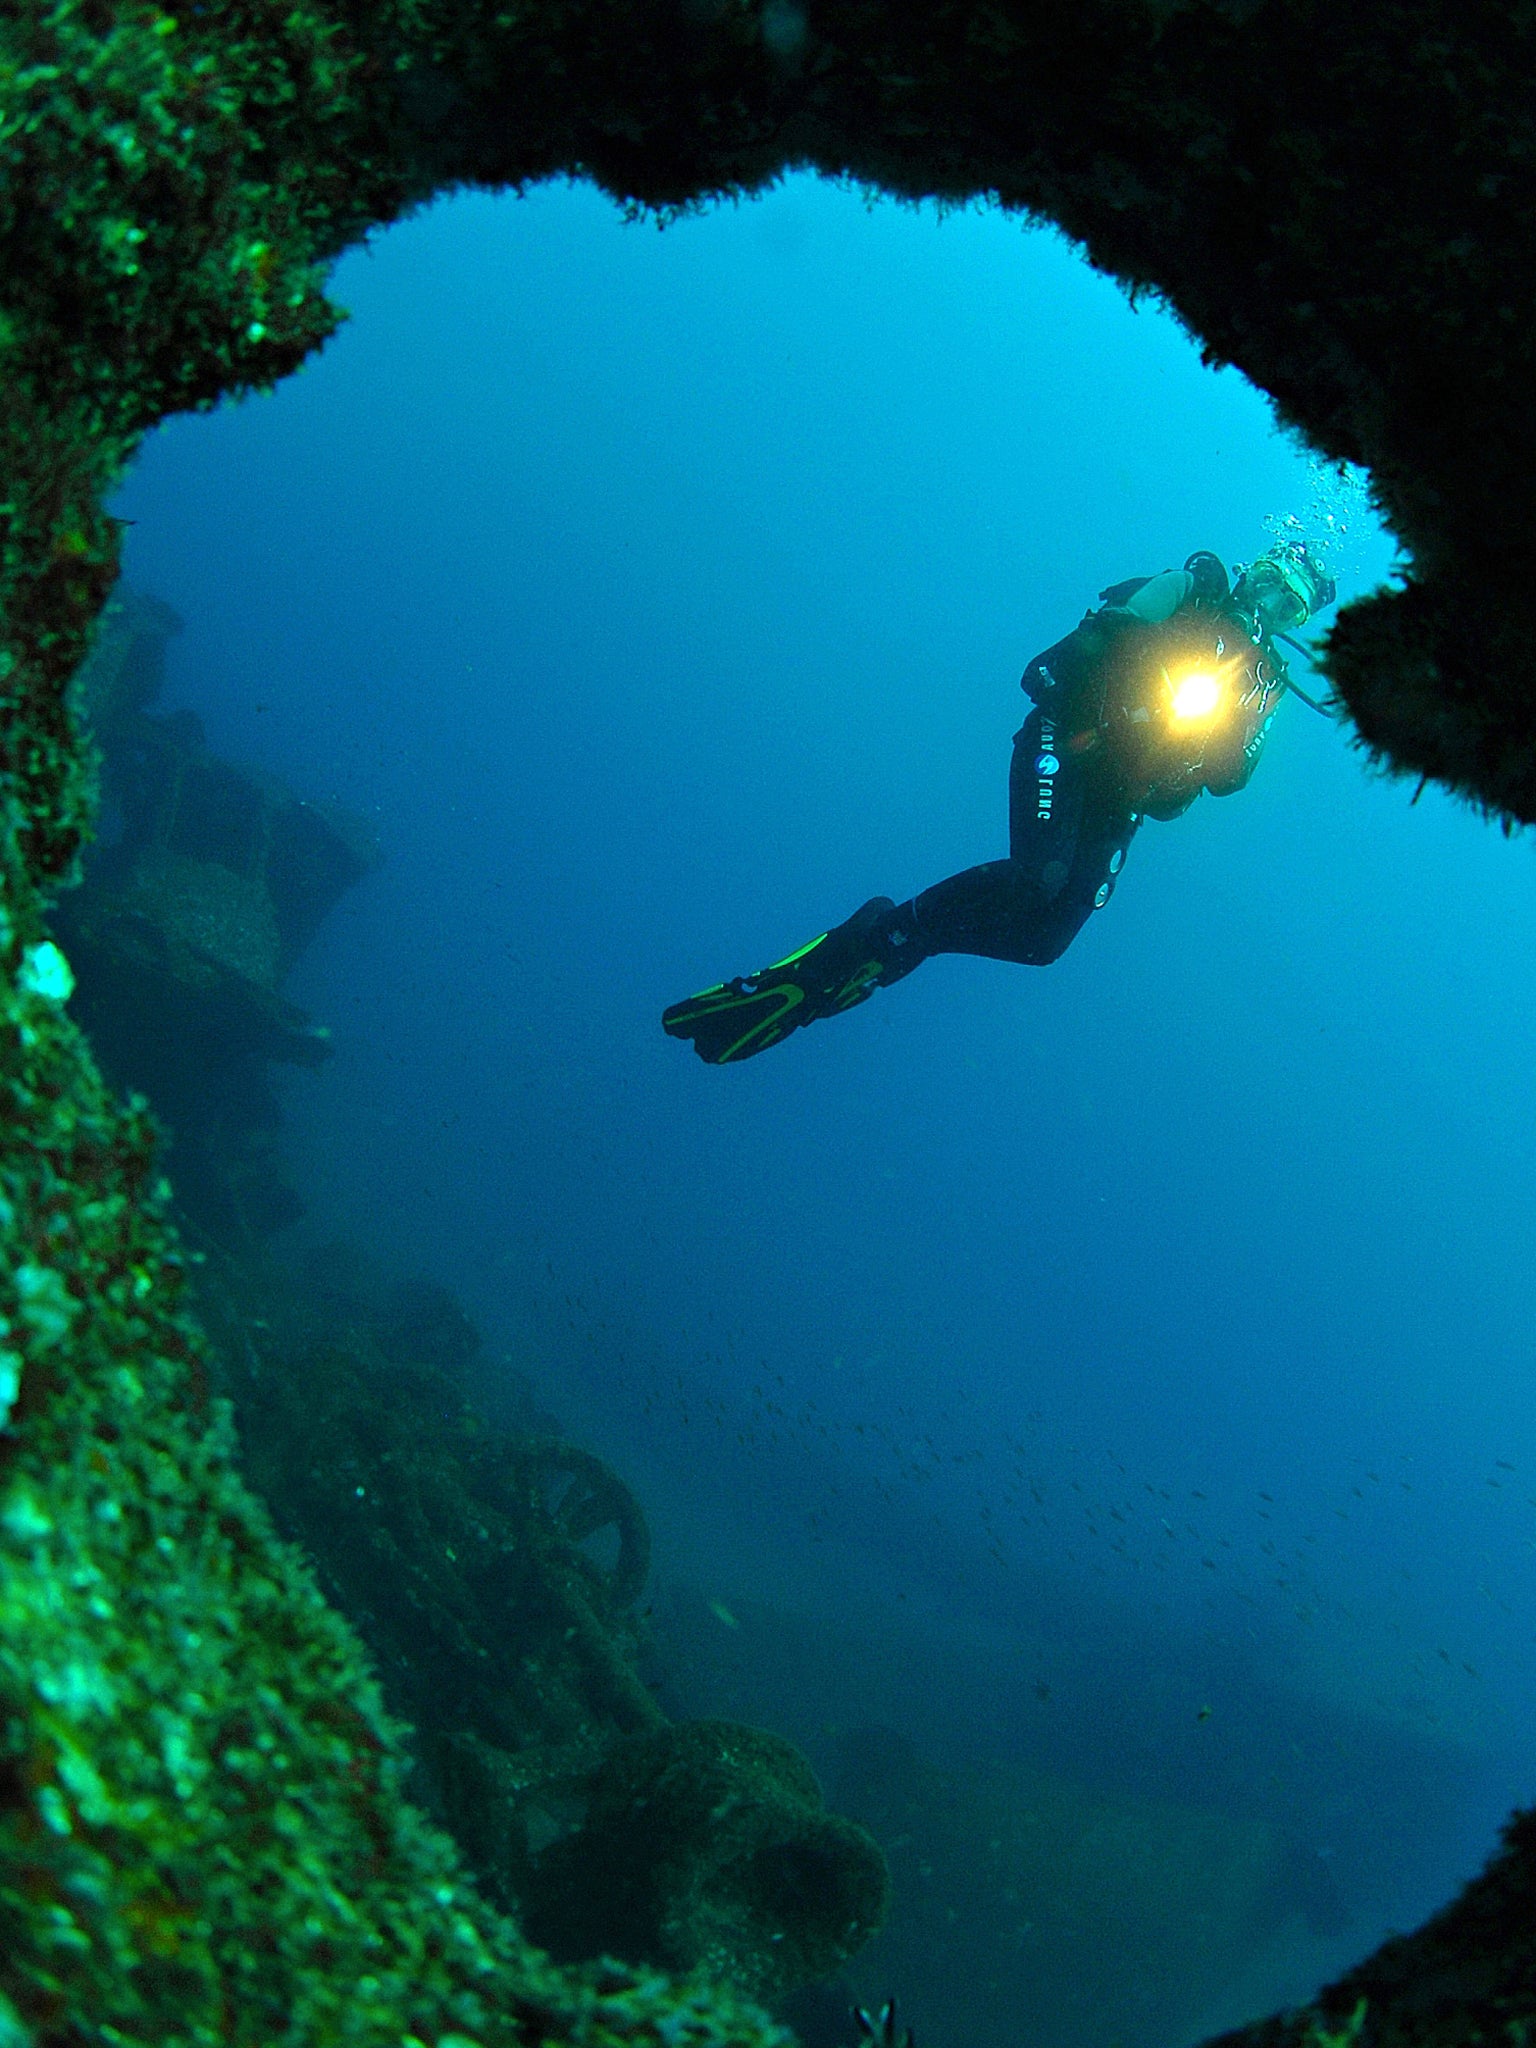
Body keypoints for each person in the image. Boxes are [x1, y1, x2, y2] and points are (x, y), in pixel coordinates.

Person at [662, 541, 1336, 1065]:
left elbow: (1228, 779)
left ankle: (902, 936)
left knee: (1046, 940)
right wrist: (1122, 671)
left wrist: (1238, 729)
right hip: (1070, 740)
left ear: (1295, 622)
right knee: (1037, 876)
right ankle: (866, 942)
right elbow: (1100, 635)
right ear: (1253, 570)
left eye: (1291, 606)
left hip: (1123, 795)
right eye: (1272, 581)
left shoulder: (1263, 683)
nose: (1273, 603)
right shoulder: (1194, 589)